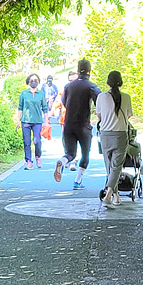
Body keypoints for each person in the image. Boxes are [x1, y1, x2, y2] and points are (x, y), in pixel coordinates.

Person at [54, 59, 100, 189]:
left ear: (78, 71)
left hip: (68, 124)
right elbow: (100, 101)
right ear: (89, 72)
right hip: (83, 125)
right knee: (85, 154)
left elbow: (64, 102)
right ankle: (77, 181)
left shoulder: (68, 86)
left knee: (70, 154)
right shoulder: (91, 86)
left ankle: (63, 161)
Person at [95, 71, 132, 208]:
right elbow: (128, 115)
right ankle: (110, 195)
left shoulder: (101, 97)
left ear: (108, 82)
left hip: (105, 135)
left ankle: (113, 195)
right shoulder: (126, 97)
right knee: (116, 167)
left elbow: (99, 115)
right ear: (120, 82)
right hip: (121, 135)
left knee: (109, 166)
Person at [17, 73, 48, 169]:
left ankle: (38, 157)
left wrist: (46, 121)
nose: (33, 82)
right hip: (25, 121)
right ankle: (28, 161)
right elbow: (20, 107)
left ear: (38, 82)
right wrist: (18, 120)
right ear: (28, 82)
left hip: (37, 121)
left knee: (37, 141)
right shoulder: (24, 93)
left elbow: (45, 108)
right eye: (31, 80)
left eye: (35, 80)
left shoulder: (41, 94)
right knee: (26, 142)